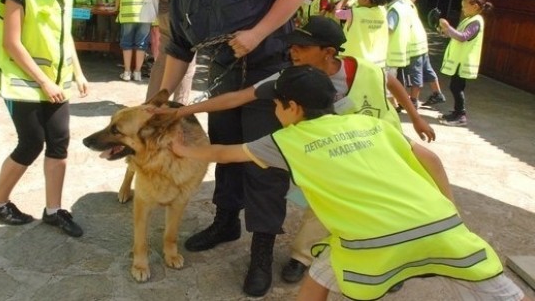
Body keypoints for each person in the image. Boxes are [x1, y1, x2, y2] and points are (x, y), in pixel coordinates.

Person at [172, 64, 527, 301]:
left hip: (371, 240)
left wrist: (182, 149)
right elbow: (431, 159)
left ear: (291, 107)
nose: (275, 113)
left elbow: (224, 154)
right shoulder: (371, 124)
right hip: (440, 224)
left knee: (330, 270)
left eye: (276, 106)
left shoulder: (286, 140)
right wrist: (448, 208)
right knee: (498, 291)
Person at [155, 16, 438, 284]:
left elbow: (391, 81)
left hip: (382, 145)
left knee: (385, 206)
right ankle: (302, 257)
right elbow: (238, 98)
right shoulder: (290, 79)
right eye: (291, 46)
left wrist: (415, 117)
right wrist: (184, 111)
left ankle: (392, 261)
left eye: (302, 47)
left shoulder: (365, 69)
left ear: (328, 52)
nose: (293, 52)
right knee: (324, 202)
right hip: (340, 154)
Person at [151, 0, 306, 297]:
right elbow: (179, 48)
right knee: (222, 155)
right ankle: (225, 222)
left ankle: (261, 252)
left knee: (264, 165)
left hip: (269, 78)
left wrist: (256, 33)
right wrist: (165, 96)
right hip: (221, 82)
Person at [0, 0, 89, 237]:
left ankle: (54, 211)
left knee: (59, 143)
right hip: (23, 80)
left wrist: (79, 72)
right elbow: (11, 44)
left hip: (56, 81)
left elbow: (63, 35)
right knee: (31, 143)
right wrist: (45, 82)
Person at [144, 0, 196, 105]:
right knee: (187, 63)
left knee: (162, 61)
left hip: (165, 14)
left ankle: (151, 103)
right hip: (184, 17)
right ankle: (179, 105)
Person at [390, 0, 446, 108]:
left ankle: (413, 100)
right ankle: (437, 93)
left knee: (415, 73)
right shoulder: (408, 2)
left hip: (413, 42)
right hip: (421, 39)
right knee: (426, 69)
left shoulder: (397, 5)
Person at [438, 0, 492, 127]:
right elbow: (458, 35)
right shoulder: (469, 19)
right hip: (460, 60)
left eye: (464, 6)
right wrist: (445, 31)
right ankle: (457, 113)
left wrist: (447, 27)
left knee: (457, 87)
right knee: (455, 86)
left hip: (464, 61)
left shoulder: (476, 21)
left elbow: (463, 37)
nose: (462, 8)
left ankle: (461, 115)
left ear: (474, 6)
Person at [336, 0, 395, 68]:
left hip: (356, 63)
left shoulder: (354, 13)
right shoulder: (382, 11)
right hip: (377, 63)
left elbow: (337, 13)